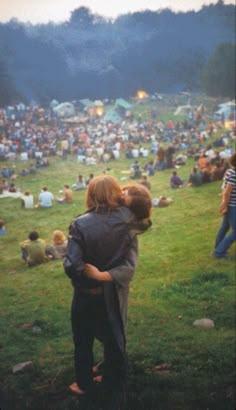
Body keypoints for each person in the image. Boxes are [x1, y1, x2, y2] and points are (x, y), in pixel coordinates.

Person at [64, 176, 152, 408]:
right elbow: (129, 265)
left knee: (82, 341)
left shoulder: (79, 224)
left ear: (91, 195)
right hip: (113, 295)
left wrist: (88, 273)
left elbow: (71, 266)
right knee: (114, 338)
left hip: (84, 295)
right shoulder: (132, 221)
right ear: (114, 193)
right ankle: (113, 381)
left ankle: (84, 383)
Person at [214, 151, 236, 259]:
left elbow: (224, 188)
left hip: (230, 204)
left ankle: (218, 247)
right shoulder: (234, 175)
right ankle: (219, 252)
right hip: (233, 206)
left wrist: (223, 202)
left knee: (224, 227)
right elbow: (227, 191)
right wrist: (225, 205)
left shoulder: (229, 171)